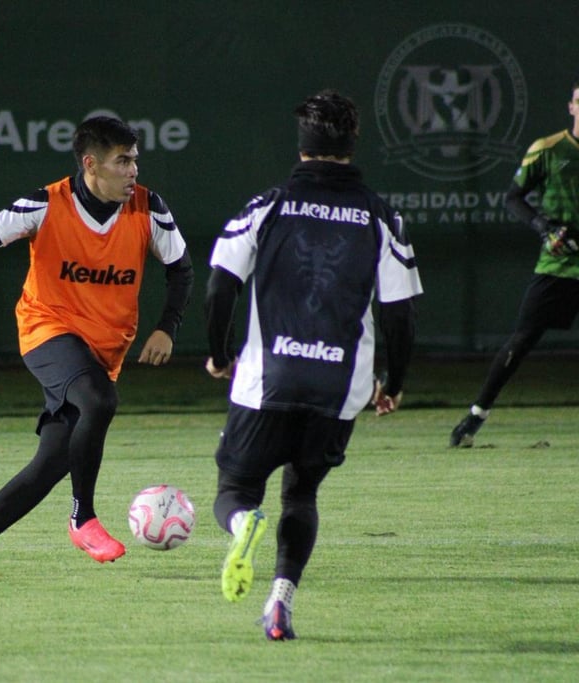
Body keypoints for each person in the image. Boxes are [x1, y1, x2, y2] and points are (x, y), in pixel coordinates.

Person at [0, 115, 193, 577]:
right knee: (100, 401)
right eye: (122, 161)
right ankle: (83, 517)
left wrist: (167, 327)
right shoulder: (45, 204)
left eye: (135, 161)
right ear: (91, 164)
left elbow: (181, 269)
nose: (133, 171)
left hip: (103, 348)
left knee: (50, 464)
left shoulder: (148, 207)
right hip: (47, 330)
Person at [203, 90, 422, 640]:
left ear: (301, 146)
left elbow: (220, 285)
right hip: (338, 385)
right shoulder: (381, 216)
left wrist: (220, 353)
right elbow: (399, 314)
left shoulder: (269, 205)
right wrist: (393, 382)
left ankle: (242, 525)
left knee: (235, 491)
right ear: (353, 143)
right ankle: (281, 601)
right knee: (301, 494)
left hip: (267, 378)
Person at [449, 79, 579, 447]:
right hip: (558, 265)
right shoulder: (549, 149)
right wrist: (545, 228)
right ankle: (475, 417)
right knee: (521, 341)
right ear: (571, 106)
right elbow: (513, 197)